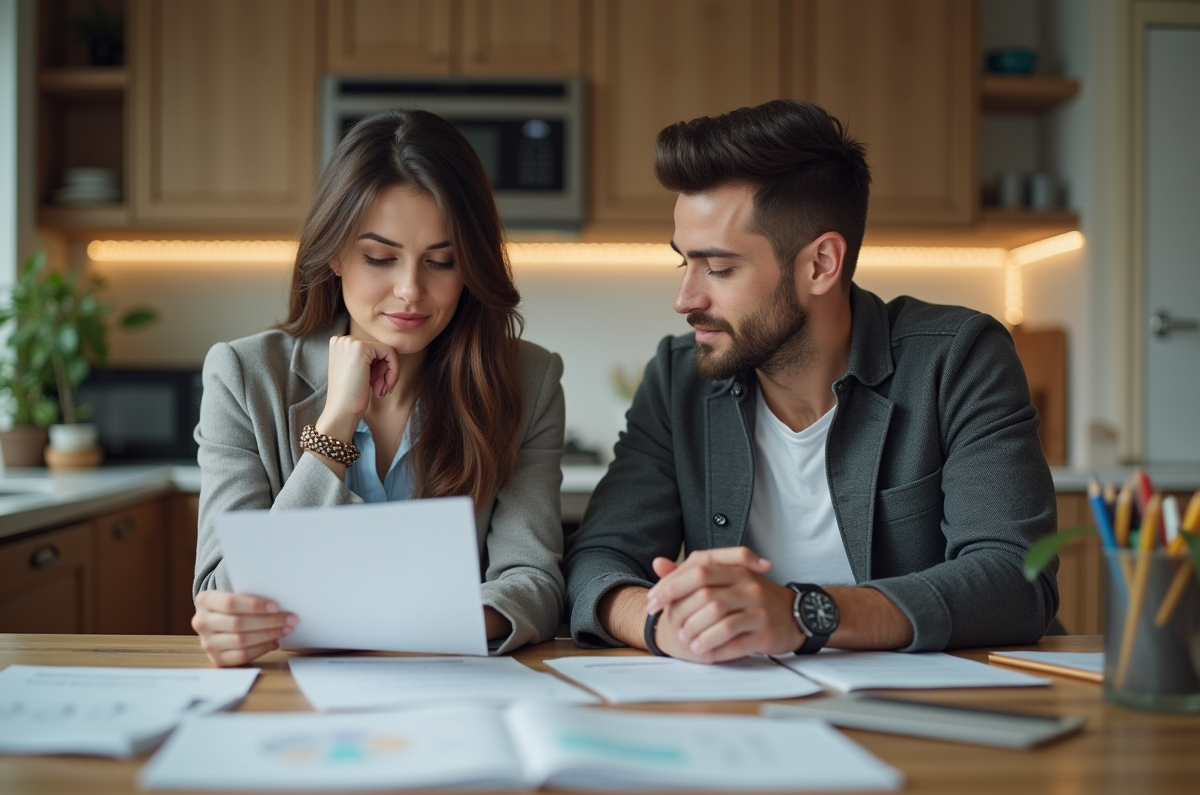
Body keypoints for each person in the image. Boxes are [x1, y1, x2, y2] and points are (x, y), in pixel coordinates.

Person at [565, 99, 1058, 663]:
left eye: (720, 269)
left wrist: (803, 614)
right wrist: (659, 624)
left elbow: (1017, 580)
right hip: (746, 713)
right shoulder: (678, 378)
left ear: (821, 263)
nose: (685, 299)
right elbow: (598, 560)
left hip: (931, 717)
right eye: (685, 263)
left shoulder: (959, 359)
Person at [192, 110, 566, 666]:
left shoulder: (528, 379)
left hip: (451, 683)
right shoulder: (243, 376)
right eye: (379, 258)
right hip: (292, 695)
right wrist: (337, 419)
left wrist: (422, 624)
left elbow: (532, 580)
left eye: (443, 261)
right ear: (335, 254)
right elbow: (226, 590)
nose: (410, 291)